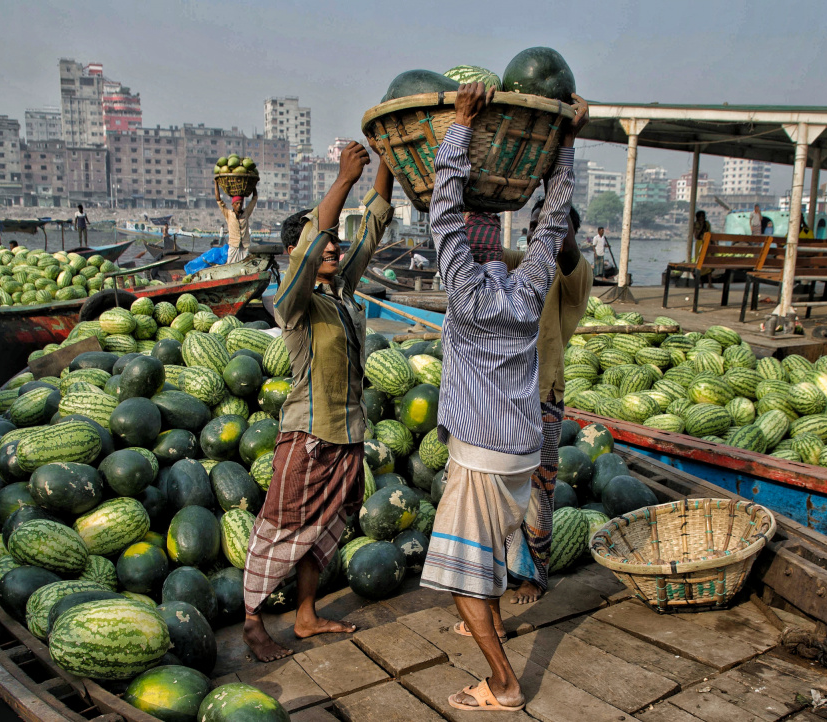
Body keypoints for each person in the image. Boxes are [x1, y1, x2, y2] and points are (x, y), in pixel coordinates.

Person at [419, 82, 588, 713]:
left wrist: (461, 124)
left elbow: (442, 210)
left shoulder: (465, 297)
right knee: (486, 557)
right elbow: (554, 218)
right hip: (521, 449)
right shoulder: (526, 293)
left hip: (481, 457)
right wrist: (566, 142)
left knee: (461, 577)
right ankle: (495, 644)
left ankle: (504, 683)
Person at [241, 141, 394, 662]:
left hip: (348, 434)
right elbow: (312, 247)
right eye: (325, 244)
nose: (333, 250)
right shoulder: (293, 301)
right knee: (280, 527)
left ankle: (305, 616)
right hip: (308, 436)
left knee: (323, 527)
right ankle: (252, 621)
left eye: (335, 244)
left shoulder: (342, 293)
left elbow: (372, 226)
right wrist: (343, 179)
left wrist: (388, 161)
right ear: (297, 252)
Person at [500, 202, 592, 604]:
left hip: (542, 395)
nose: (539, 231)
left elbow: (566, 249)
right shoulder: (519, 264)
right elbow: (481, 250)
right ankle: (503, 567)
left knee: (539, 490)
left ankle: (534, 577)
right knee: (499, 486)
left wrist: (555, 204)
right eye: (534, 224)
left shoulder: (573, 274)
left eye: (551, 224)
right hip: (501, 394)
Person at [216, 185, 258, 263]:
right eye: (237, 203)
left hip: (245, 246)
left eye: (240, 203)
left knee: (246, 265)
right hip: (233, 246)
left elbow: (254, 199)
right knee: (231, 265)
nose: (239, 205)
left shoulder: (246, 213)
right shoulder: (228, 214)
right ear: (233, 204)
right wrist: (216, 183)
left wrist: (253, 185)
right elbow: (218, 200)